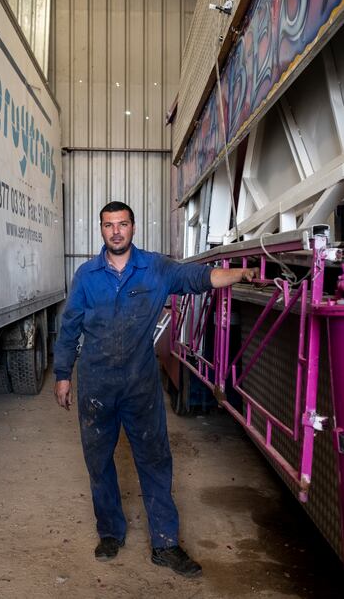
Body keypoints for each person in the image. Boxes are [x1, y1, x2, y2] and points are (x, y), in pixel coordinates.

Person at [54, 201, 258, 578]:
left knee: (154, 461)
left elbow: (199, 279)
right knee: (99, 463)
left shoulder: (156, 268)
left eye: (123, 224)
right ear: (101, 230)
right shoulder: (86, 276)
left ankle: (165, 543)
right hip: (96, 385)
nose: (116, 231)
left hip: (140, 385)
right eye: (109, 225)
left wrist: (241, 273)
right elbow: (69, 328)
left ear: (133, 228)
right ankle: (111, 532)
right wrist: (63, 374)